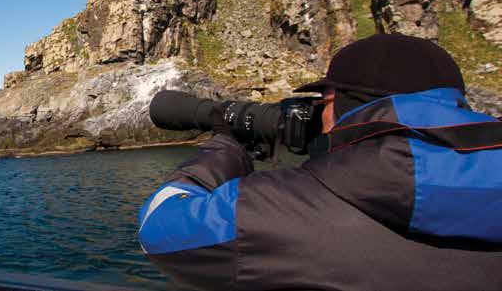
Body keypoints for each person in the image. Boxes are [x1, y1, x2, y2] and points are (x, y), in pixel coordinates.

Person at [138, 33, 502, 290]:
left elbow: (159, 228)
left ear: (349, 106)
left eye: (324, 103)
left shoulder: (287, 209)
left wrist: (223, 153)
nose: (316, 117)